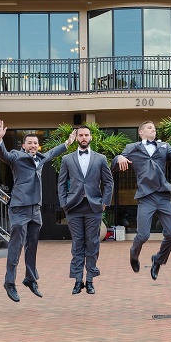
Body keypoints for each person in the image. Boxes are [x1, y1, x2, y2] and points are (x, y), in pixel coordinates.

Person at [0, 120, 76, 302]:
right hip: (20, 207)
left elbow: (53, 152)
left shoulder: (40, 158)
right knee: (16, 245)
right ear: (23, 146)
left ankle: (30, 279)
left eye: (35, 143)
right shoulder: (16, 156)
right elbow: (3, 155)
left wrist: (67, 143)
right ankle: (9, 282)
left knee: (32, 246)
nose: (33, 145)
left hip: (35, 209)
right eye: (29, 143)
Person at [111, 120, 171, 281]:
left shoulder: (164, 146)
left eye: (154, 128)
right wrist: (119, 157)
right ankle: (134, 253)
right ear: (141, 132)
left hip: (163, 196)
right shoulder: (132, 148)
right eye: (149, 127)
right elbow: (115, 165)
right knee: (143, 235)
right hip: (146, 197)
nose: (153, 130)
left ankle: (158, 260)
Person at [58, 126, 114, 295]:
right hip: (73, 207)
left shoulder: (101, 158)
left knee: (93, 243)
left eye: (86, 135)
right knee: (77, 244)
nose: (83, 137)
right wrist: (63, 203)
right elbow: (61, 182)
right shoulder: (67, 159)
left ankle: (89, 280)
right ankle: (77, 281)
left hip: (93, 207)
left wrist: (104, 202)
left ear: (91, 137)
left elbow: (108, 182)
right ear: (77, 138)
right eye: (81, 135)